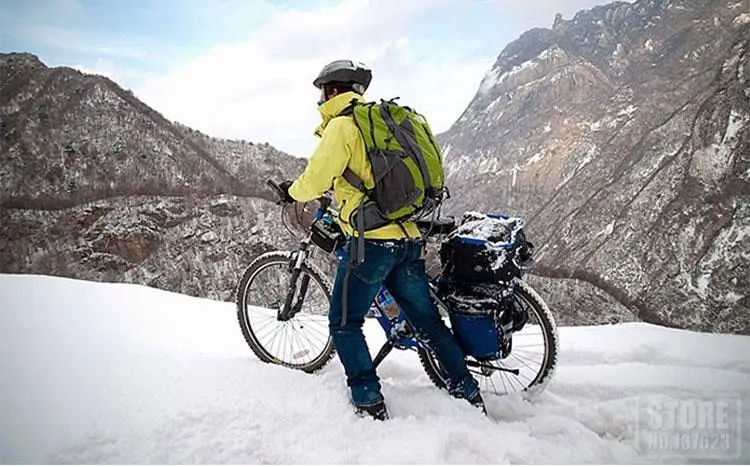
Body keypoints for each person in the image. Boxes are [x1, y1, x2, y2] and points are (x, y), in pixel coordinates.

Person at [278, 59, 484, 421]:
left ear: (334, 91)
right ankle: (467, 392)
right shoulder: (382, 121)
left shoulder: (342, 127)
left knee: (344, 322)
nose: (318, 100)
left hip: (371, 245)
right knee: (430, 326)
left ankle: (368, 399)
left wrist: (291, 193)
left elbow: (315, 179)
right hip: (407, 238)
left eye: (321, 92)